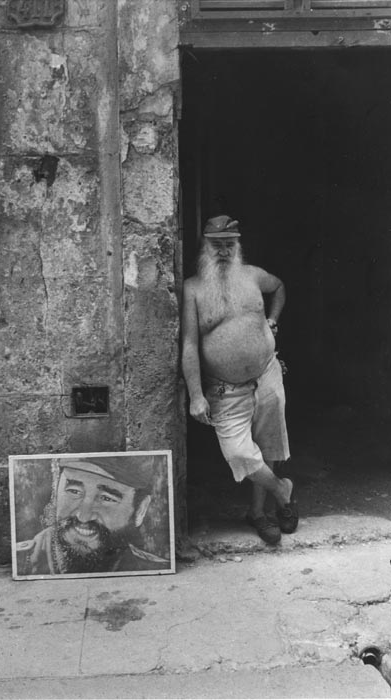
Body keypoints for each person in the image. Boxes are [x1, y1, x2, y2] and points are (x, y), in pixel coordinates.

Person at [181, 214, 298, 545]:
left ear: (238, 246)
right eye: (216, 244)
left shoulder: (253, 276)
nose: (223, 250)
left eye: (229, 244)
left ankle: (259, 513)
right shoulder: (193, 289)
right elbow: (189, 345)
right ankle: (282, 490)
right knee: (239, 453)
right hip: (224, 387)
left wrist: (272, 321)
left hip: (267, 372)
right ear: (205, 246)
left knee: (268, 443)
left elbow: (280, 288)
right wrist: (195, 395)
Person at [16, 456, 169, 575]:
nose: (83, 516)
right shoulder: (21, 562)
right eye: (74, 491)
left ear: (140, 510)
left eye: (107, 498)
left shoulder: (155, 569)